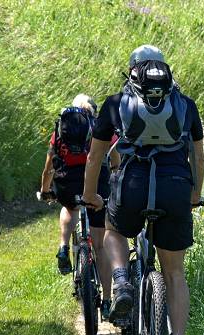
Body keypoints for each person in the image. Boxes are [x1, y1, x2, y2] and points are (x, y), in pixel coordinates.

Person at [82, 45, 204, 335]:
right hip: (176, 188)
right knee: (175, 273)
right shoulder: (185, 105)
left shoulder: (115, 104)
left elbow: (95, 158)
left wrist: (91, 194)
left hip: (133, 185)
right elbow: (198, 157)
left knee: (114, 230)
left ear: (132, 72)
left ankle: (121, 282)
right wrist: (194, 195)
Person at [38, 94, 119, 319]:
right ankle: (106, 300)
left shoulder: (60, 131)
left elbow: (48, 169)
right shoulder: (100, 127)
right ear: (92, 110)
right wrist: (114, 176)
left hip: (67, 182)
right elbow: (115, 159)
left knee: (70, 208)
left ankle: (64, 246)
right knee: (101, 247)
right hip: (96, 185)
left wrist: (46, 191)